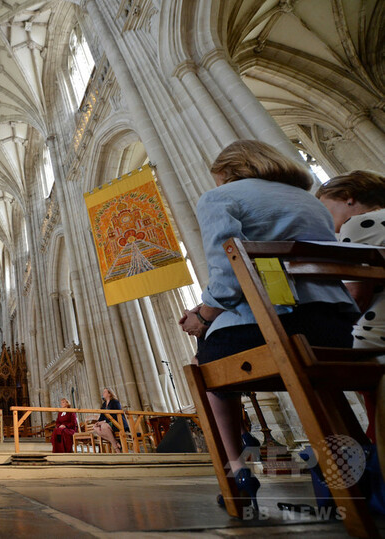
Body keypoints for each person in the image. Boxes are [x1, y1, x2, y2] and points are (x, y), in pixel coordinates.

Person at [178, 139, 357, 511]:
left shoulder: (220, 198)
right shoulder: (311, 201)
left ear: (229, 171)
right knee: (310, 369)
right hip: (336, 327)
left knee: (204, 364)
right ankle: (345, 462)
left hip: (272, 326)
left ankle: (237, 470)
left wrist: (202, 316)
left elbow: (229, 273)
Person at [316, 170, 385, 441]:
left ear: (348, 197)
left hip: (378, 336)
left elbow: (355, 296)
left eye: (324, 207)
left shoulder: (358, 223)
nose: (323, 218)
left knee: (307, 358)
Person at [92, 388, 127, 452]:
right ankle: (115, 442)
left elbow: (117, 414)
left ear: (110, 394)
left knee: (104, 426)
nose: (103, 393)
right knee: (95, 427)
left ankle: (116, 448)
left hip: (117, 423)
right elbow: (102, 416)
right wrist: (98, 422)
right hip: (108, 424)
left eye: (105, 392)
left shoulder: (115, 402)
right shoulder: (104, 404)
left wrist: (104, 422)